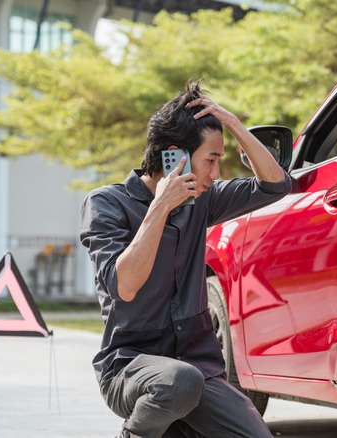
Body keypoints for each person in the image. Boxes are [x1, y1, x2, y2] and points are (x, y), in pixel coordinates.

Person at [80, 80, 291, 438]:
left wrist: (236, 126)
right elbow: (125, 287)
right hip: (130, 369)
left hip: (198, 369)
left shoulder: (204, 201)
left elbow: (275, 185)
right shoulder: (106, 204)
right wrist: (160, 207)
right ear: (174, 156)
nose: (216, 174)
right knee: (179, 382)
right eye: (211, 160)